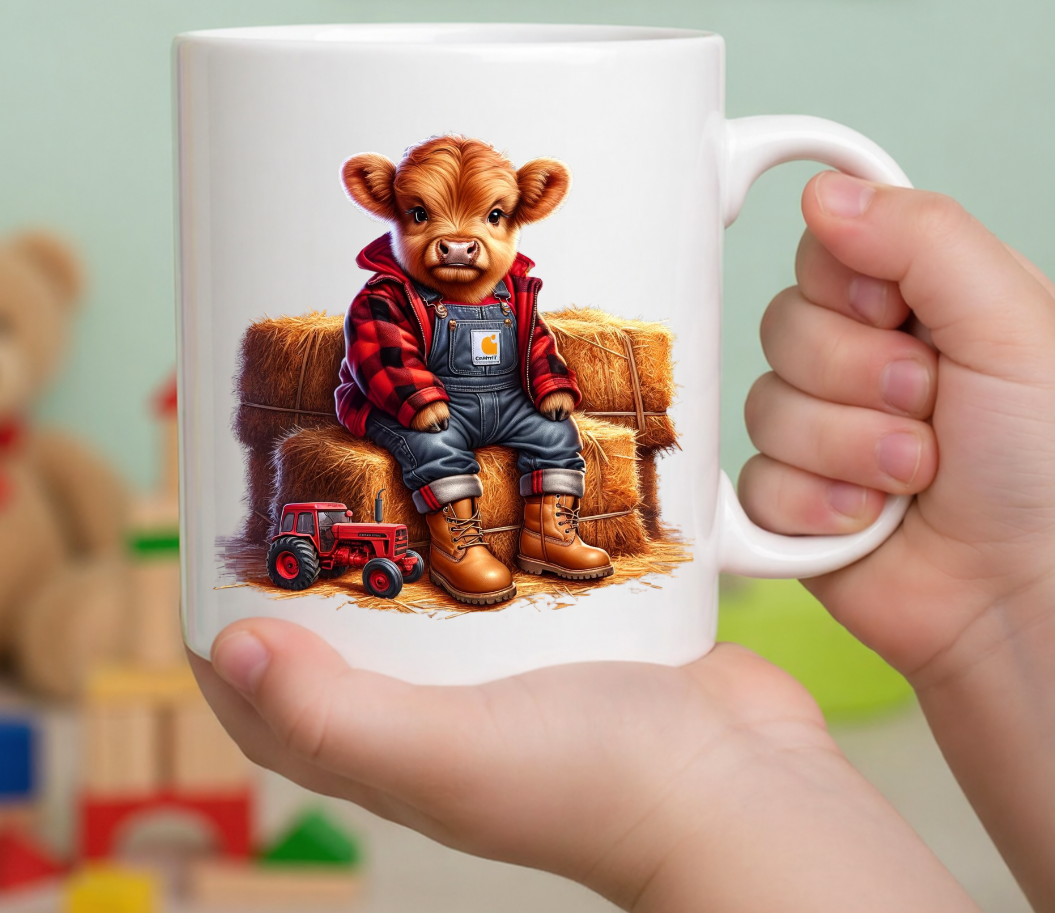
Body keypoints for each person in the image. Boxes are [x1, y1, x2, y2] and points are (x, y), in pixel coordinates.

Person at [191, 172, 1055, 913]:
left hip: (496, 403)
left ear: (518, 217)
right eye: (423, 216)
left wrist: (554, 390)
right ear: (392, 216)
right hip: (409, 408)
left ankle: (550, 528)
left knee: (554, 438)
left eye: (489, 216)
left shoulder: (516, 294)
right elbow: (381, 362)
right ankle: (457, 539)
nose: (457, 238)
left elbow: (538, 353)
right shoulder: (385, 299)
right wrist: (418, 399)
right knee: (434, 446)